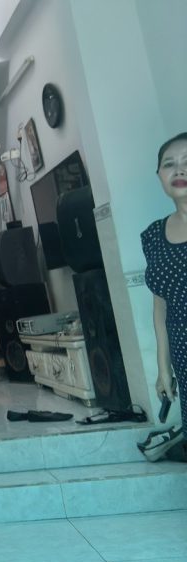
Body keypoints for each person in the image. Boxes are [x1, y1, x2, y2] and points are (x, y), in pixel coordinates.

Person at [143, 132, 187, 438]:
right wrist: (163, 367)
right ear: (159, 175)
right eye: (169, 164)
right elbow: (161, 307)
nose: (179, 170)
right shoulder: (154, 235)